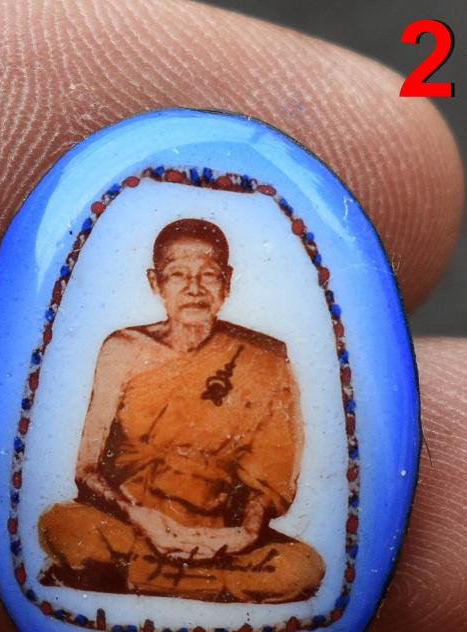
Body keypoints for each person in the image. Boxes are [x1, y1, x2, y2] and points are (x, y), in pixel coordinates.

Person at [37, 218, 325, 602]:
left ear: (227, 281)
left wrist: (244, 535)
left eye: (208, 275)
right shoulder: (124, 349)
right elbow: (86, 470)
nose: (194, 288)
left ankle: (133, 577)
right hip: (134, 525)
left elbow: (268, 484)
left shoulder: (265, 358)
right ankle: (207, 586)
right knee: (61, 524)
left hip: (220, 538)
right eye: (178, 275)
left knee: (302, 566)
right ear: (155, 282)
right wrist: (141, 517)